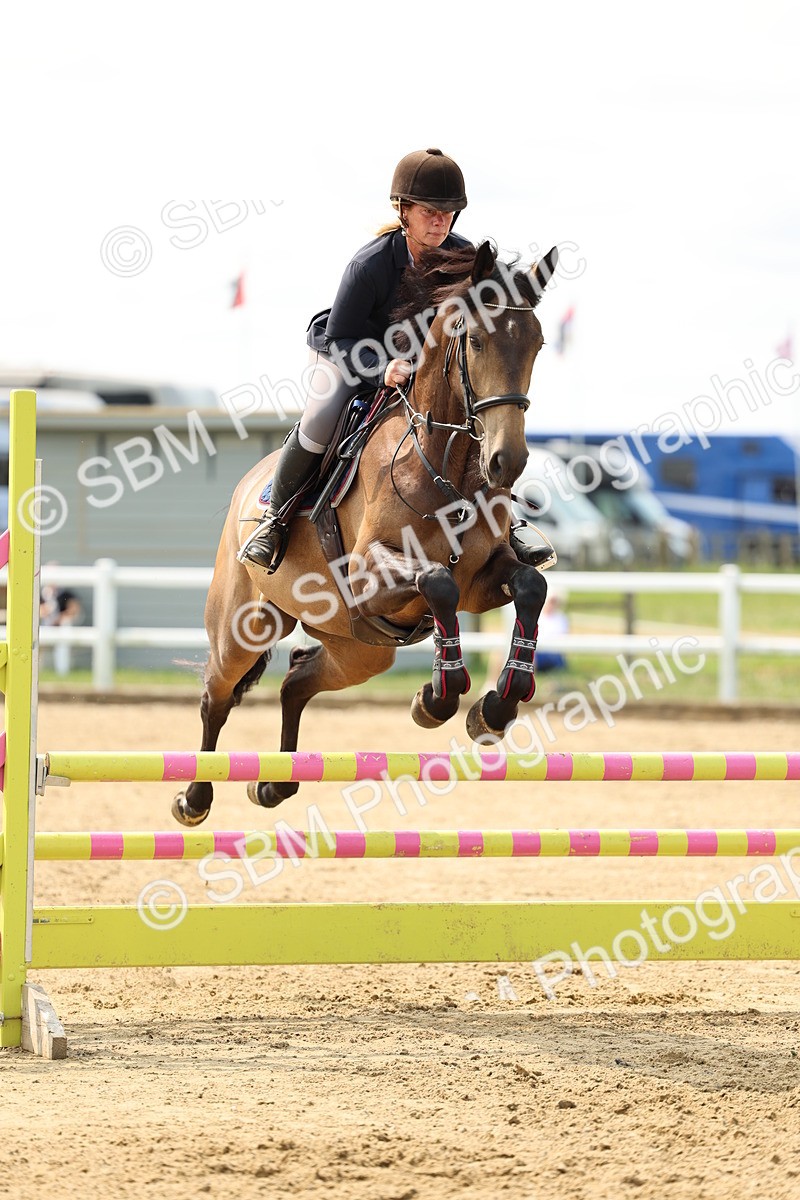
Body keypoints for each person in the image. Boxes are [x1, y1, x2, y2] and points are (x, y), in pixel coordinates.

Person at [238, 147, 555, 573]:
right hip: (349, 352)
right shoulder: (369, 265)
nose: (440, 222)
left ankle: (507, 526)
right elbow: (339, 336)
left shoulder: (464, 258)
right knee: (320, 418)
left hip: (416, 364)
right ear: (403, 211)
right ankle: (274, 521)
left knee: (474, 419)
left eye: (448, 213)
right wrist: (379, 368)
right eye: (429, 212)